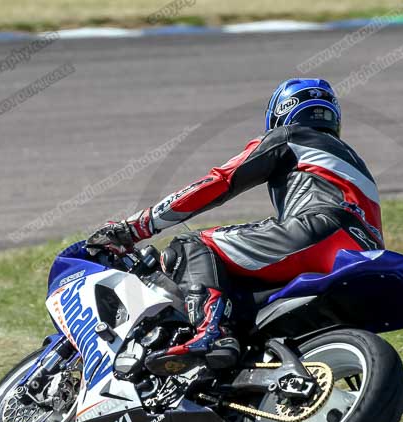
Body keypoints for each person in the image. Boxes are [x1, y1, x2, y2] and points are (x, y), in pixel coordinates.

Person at [86, 78, 384, 367]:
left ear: (280, 113)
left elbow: (220, 182)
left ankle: (209, 334)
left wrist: (137, 227)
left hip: (316, 233)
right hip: (361, 253)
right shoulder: (355, 163)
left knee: (193, 244)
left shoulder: (291, 136)